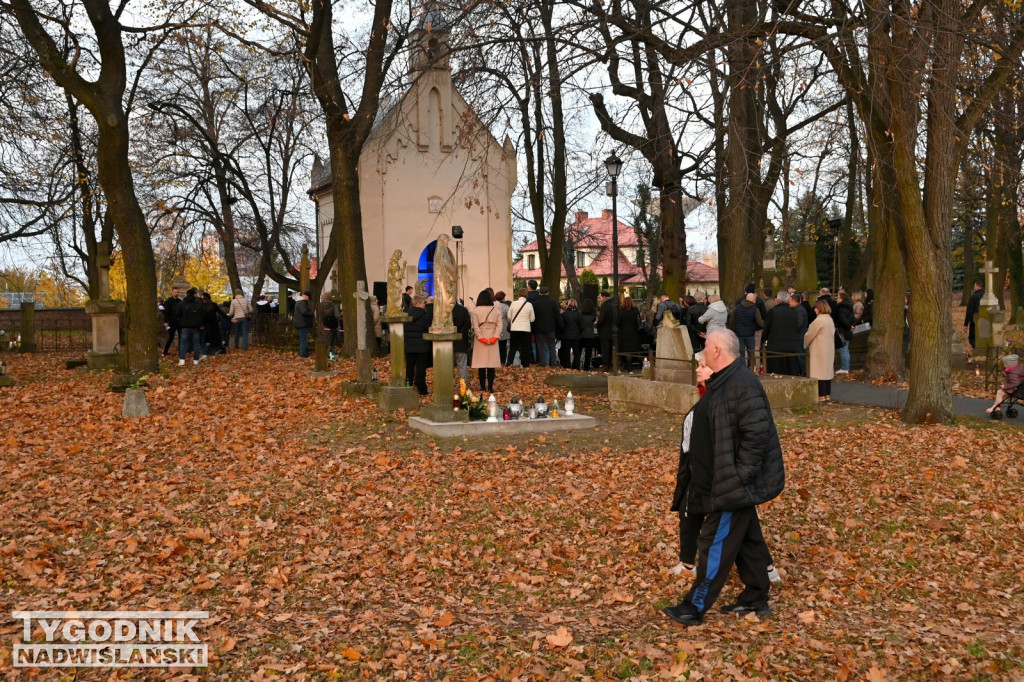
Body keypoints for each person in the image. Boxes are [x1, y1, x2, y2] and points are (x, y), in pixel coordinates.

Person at [661, 329, 785, 626]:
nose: (702, 351)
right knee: (748, 542)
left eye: (705, 347)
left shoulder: (743, 384)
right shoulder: (722, 382)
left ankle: (694, 606)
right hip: (721, 481)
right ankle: (756, 598)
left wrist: (737, 476)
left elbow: (757, 436)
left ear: (717, 350)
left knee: (714, 542)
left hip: (731, 484)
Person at [762, 292, 802, 376]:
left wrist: (763, 341)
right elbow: (796, 327)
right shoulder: (794, 312)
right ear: (788, 300)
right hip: (790, 346)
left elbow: (766, 329)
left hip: (775, 347)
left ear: (777, 300)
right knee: (790, 373)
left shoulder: (772, 312)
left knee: (775, 373)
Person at [804, 299, 836, 401]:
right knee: (827, 372)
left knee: (819, 372)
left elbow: (809, 335)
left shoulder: (819, 321)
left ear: (820, 308)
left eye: (816, 308)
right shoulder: (829, 319)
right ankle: (827, 394)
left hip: (819, 349)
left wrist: (805, 345)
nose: (814, 310)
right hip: (829, 348)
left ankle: (821, 395)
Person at [471, 289, 502, 393]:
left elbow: (475, 327)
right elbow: (499, 325)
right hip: (492, 336)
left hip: (481, 338)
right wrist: (495, 337)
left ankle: (482, 386)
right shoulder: (496, 310)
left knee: (481, 364)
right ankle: (490, 387)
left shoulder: (475, 311)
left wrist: (481, 337)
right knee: (491, 365)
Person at [404, 295, 432, 395]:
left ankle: (408, 386)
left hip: (409, 345)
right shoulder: (425, 316)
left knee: (409, 367)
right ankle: (422, 389)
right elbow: (428, 329)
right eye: (423, 303)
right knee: (420, 369)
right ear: (419, 304)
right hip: (422, 345)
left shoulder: (406, 315)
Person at [730, 292, 763, 369]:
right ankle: (751, 369)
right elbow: (760, 322)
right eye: (755, 300)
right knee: (751, 353)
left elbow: (731, 320)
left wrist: (733, 330)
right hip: (750, 334)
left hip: (739, 334)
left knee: (741, 353)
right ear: (752, 300)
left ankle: (742, 369)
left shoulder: (737, 307)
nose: (755, 301)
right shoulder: (755, 309)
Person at [505, 288, 535, 367]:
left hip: (515, 328)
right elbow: (532, 319)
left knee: (513, 346)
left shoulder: (513, 303)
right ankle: (525, 364)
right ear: (526, 295)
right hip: (525, 329)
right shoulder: (529, 304)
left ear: (518, 294)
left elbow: (509, 316)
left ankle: (509, 362)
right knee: (525, 347)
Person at [531, 286, 560, 367]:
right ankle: (553, 363)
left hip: (539, 328)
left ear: (539, 293)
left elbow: (533, 316)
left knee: (541, 346)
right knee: (551, 346)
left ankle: (543, 363)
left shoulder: (535, 303)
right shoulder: (553, 302)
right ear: (548, 293)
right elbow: (557, 315)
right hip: (550, 328)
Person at [177, 287, 205, 366]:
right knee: (196, 343)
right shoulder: (198, 303)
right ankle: (196, 360)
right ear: (194, 294)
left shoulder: (182, 303)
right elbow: (202, 315)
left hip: (185, 326)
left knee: (183, 343)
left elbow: (178, 314)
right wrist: (201, 324)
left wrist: (181, 321)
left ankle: (182, 359)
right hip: (196, 326)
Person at [617, 295, 643, 372]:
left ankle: (630, 369)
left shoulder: (621, 312)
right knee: (636, 351)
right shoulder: (635, 311)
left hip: (624, 334)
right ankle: (644, 366)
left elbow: (617, 323)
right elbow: (639, 321)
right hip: (634, 333)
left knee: (627, 352)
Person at [832, 291, 856, 374]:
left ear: (842, 299)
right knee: (845, 350)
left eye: (838, 298)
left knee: (843, 349)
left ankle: (845, 368)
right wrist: (851, 326)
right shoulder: (849, 307)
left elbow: (843, 320)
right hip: (847, 331)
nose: (837, 299)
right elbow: (853, 318)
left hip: (842, 331)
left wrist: (849, 326)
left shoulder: (841, 308)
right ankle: (846, 367)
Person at [559, 299, 583, 369]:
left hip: (566, 336)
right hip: (576, 336)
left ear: (568, 304)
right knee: (576, 352)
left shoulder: (564, 314)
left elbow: (561, 325)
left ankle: (567, 366)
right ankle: (576, 366)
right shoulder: (579, 314)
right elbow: (582, 326)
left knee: (566, 352)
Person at [964, 281, 984, 364]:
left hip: (974, 321)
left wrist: (966, 324)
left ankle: (978, 352)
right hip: (985, 321)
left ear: (979, 286)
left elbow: (969, 311)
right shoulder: (987, 295)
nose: (973, 288)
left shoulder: (974, 297)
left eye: (974, 286)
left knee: (972, 338)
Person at [596, 291, 616, 371]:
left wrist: (597, 325)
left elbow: (602, 319)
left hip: (604, 331)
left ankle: (605, 365)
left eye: (600, 297)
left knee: (605, 349)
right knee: (612, 348)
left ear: (604, 297)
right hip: (613, 330)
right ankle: (612, 364)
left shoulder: (604, 305)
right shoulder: (614, 304)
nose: (599, 299)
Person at [452, 299, 472, 383]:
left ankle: (446, 387)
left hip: (446, 342)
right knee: (462, 365)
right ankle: (463, 387)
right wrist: (461, 333)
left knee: (446, 366)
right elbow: (468, 324)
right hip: (460, 341)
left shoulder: (444, 311)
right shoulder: (463, 310)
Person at [293, 291, 315, 358]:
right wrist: (311, 314)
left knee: (303, 338)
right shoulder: (302, 302)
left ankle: (304, 352)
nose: (308, 299)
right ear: (305, 296)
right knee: (304, 339)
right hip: (303, 323)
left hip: (300, 323)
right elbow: (304, 311)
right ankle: (303, 354)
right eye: (308, 297)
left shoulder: (298, 302)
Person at [162, 287, 182, 357]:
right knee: (171, 337)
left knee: (181, 336)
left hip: (179, 322)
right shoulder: (168, 301)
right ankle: (165, 352)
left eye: (177, 292)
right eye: (175, 292)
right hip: (172, 321)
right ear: (172, 292)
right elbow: (166, 312)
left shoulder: (180, 301)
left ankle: (181, 352)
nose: (176, 293)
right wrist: (165, 321)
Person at [579, 298, 597, 371]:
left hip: (581, 334)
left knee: (578, 351)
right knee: (588, 352)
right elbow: (593, 321)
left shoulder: (580, 313)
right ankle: (586, 367)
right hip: (590, 335)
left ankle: (577, 365)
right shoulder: (593, 314)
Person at [321, 292, 340, 357]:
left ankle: (325, 355)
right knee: (333, 341)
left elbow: (317, 315)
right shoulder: (333, 305)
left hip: (324, 325)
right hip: (332, 325)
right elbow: (337, 315)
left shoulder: (320, 306)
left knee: (326, 341)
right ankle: (332, 355)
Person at [495, 291, 511, 365]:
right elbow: (509, 318)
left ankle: (496, 361)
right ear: (503, 297)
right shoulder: (505, 306)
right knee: (503, 346)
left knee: (495, 346)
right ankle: (502, 361)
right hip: (503, 327)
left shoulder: (493, 305)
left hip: (495, 326)